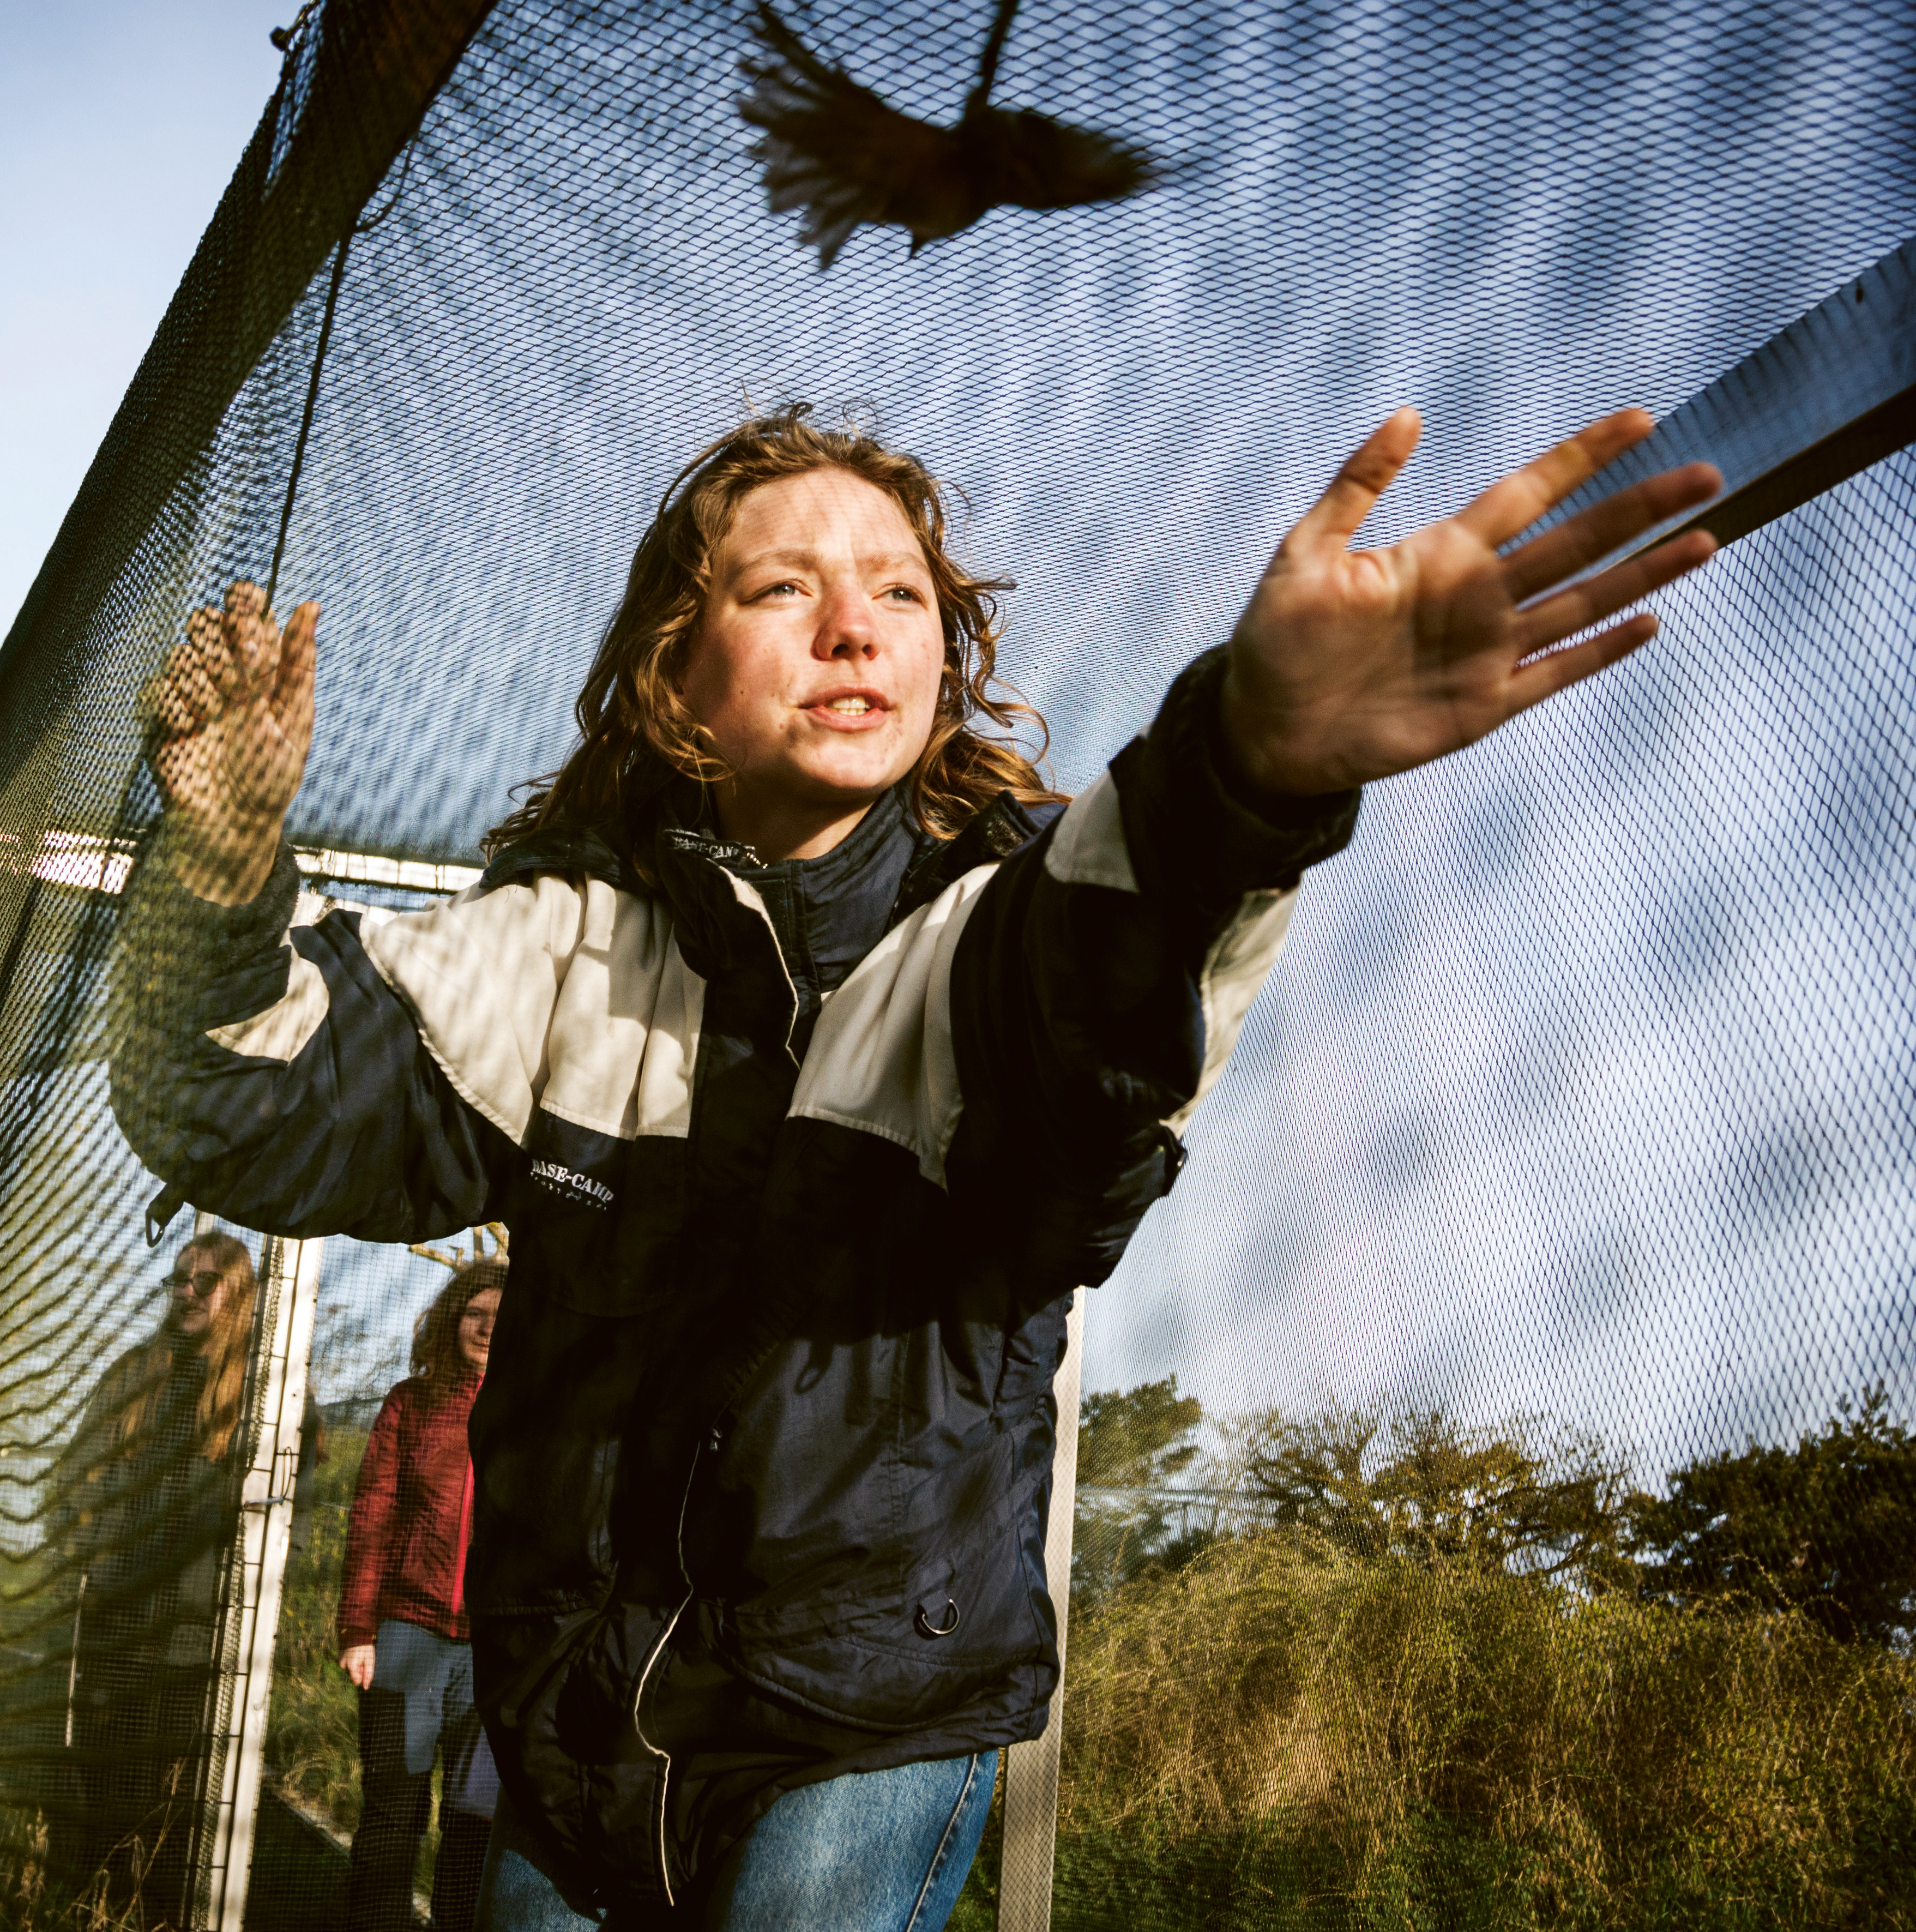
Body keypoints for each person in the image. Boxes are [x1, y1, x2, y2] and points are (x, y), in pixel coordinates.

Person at [110, 403, 1718, 1928]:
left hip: (860, 1714)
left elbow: (1077, 1012)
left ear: (940, 664)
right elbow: (236, 1103)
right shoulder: (563, 941)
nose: (850, 624)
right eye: (779, 585)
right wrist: (223, 857)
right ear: (675, 675)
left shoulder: (998, 915)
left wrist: (1245, 764)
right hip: (570, 1724)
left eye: (895, 590)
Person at [46, 1229, 261, 1925]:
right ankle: (93, 1914)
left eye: (206, 1280)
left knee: (173, 1814)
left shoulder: (263, 1392)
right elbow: (69, 1482)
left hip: (195, 1642)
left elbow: (286, 1493)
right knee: (101, 1799)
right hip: (116, 1627)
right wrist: (83, 1555)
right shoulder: (135, 1372)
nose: (188, 1291)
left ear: (238, 1295)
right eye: (180, 1278)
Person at [340, 1255, 509, 1930]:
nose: (489, 1329)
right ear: (452, 1318)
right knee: (394, 1809)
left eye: (503, 1319)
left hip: (493, 1649)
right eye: (476, 1314)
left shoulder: (533, 1415)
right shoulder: (410, 1404)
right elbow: (371, 1517)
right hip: (408, 1634)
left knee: (475, 1820)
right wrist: (358, 1631)